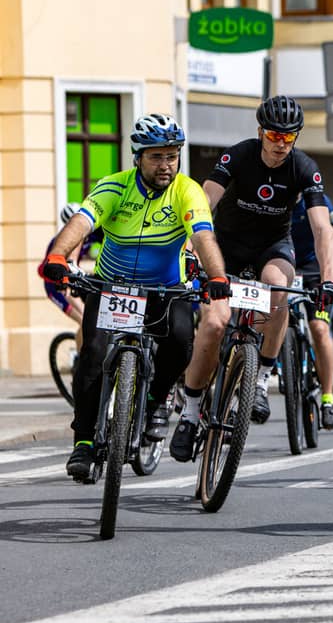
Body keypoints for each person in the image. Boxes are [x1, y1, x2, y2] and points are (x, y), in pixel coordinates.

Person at [40, 114, 231, 479]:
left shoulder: (187, 191)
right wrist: (58, 256)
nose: (166, 165)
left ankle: (156, 401)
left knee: (181, 344)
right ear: (138, 157)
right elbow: (81, 222)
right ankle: (83, 443)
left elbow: (203, 236)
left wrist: (217, 275)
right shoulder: (114, 187)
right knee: (93, 355)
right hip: (111, 285)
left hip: (165, 289)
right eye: (156, 157)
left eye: (172, 156)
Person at [169, 95, 333, 462]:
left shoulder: (304, 167)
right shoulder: (238, 155)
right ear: (261, 132)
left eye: (289, 137)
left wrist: (329, 279)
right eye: (274, 135)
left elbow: (322, 229)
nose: (281, 144)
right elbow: (204, 204)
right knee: (214, 323)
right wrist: (189, 251)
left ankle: (261, 378)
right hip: (227, 247)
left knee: (277, 288)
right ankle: (190, 414)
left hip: (272, 246)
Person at [289, 194, 333, 429]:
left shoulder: (317, 198)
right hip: (285, 265)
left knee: (319, 328)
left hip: (315, 268)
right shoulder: (277, 195)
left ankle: (328, 398)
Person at [39, 203, 102, 333]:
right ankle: (82, 347)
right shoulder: (59, 241)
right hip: (55, 287)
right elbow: (42, 270)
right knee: (85, 321)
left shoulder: (91, 235)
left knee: (93, 321)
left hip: (72, 281)